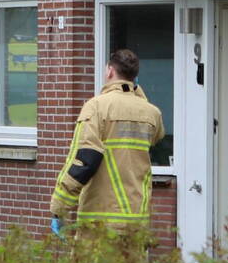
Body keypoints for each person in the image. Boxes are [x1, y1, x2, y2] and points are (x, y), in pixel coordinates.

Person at [50, 48, 165, 234]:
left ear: (110, 71)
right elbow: (157, 138)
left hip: (101, 220)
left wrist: (59, 209)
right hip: (137, 221)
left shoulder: (96, 107)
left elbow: (85, 161)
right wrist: (137, 94)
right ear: (134, 78)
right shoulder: (152, 113)